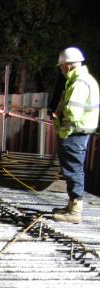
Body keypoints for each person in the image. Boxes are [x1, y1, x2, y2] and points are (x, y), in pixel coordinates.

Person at [52, 46, 99, 224]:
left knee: (72, 170)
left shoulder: (78, 83)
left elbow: (73, 112)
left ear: (68, 66)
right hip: (79, 132)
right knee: (74, 169)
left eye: (62, 67)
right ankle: (72, 207)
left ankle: (75, 212)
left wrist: (59, 118)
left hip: (73, 132)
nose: (62, 70)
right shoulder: (86, 80)